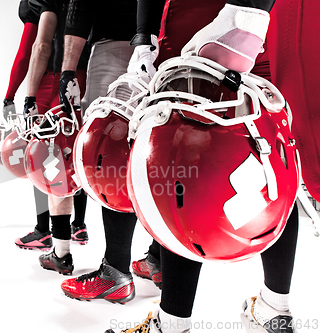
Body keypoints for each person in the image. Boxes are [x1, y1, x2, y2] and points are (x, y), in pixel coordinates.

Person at [106, 0, 305, 332]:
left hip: (198, 25)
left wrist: (144, 35)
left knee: (181, 167)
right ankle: (275, 307)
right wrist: (253, 13)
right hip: (263, 24)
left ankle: (171, 322)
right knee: (268, 156)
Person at [56, 0, 166, 303]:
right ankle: (159, 258)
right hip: (173, 42)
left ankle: (115, 272)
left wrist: (68, 69)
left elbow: (80, 9)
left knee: (111, 157)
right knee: (163, 153)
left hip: (120, 50)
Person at [2, 0, 89, 253]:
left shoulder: (41, 2)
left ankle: (44, 230)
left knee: (41, 155)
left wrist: (10, 95)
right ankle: (79, 226)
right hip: (82, 75)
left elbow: (32, 48)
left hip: (50, 78)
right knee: (75, 152)